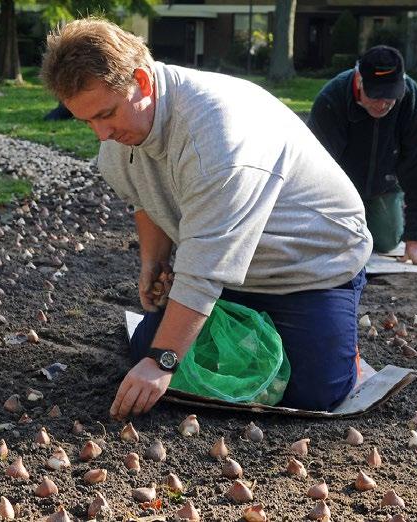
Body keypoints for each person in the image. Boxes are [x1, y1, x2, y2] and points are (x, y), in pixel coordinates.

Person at [41, 18, 372, 419]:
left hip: (309, 267)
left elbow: (204, 270)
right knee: (144, 348)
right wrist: (154, 261)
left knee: (315, 392)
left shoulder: (218, 137)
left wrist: (164, 362)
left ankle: (339, 347)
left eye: (106, 114)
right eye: (87, 120)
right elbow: (144, 197)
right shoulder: (122, 132)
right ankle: (242, 324)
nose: (100, 134)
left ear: (143, 82)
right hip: (229, 265)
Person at [307, 45, 417, 266]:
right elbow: (313, 168)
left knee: (387, 241)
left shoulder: (414, 103)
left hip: (383, 187)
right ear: (359, 80)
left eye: (391, 97)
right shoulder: (332, 100)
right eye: (376, 95)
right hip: (338, 190)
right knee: (333, 242)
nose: (383, 105)